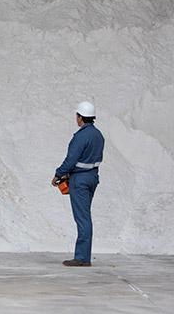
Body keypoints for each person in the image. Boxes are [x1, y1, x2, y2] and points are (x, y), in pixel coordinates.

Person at [51, 101, 105, 267]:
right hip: (92, 178)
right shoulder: (98, 135)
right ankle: (83, 256)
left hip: (79, 180)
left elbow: (71, 160)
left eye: (77, 116)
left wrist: (58, 174)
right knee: (85, 215)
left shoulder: (81, 136)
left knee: (82, 218)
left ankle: (82, 258)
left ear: (80, 117)